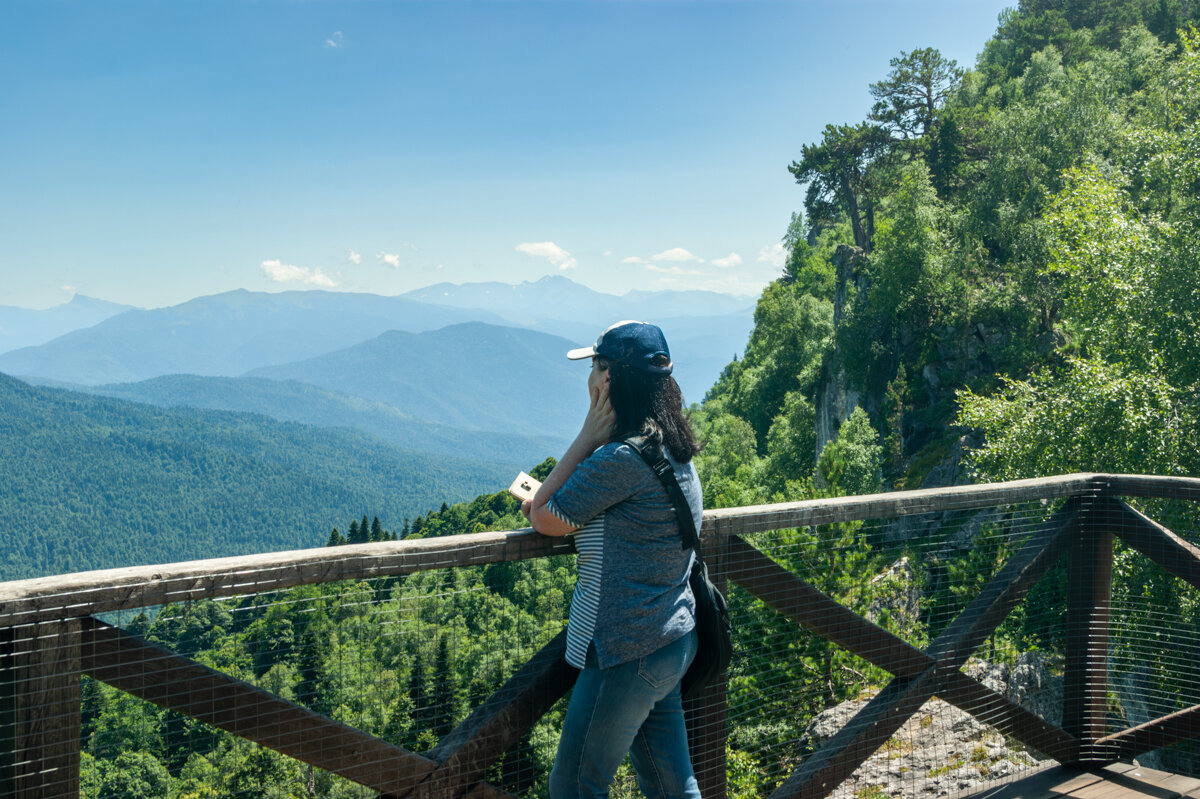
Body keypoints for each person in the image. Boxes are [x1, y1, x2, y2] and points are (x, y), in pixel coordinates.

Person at [522, 320, 704, 799]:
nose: (589, 380)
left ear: (607, 381)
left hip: (625, 650)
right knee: (670, 785)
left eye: (594, 368)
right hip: (673, 640)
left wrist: (586, 434)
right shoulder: (673, 450)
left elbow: (543, 515)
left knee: (575, 786)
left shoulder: (621, 460)